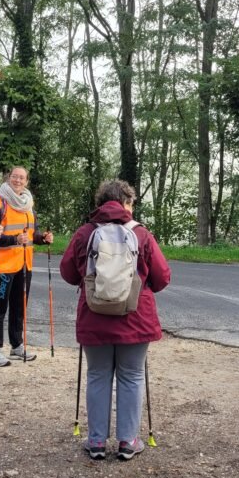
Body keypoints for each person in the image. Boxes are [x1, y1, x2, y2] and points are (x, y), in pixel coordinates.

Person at [60, 179, 170, 461]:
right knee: (131, 376)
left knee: (97, 375)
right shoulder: (142, 234)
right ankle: (127, 441)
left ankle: (96, 442)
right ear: (127, 203)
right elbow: (162, 278)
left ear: (101, 203)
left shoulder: (85, 233)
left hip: (94, 316)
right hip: (135, 317)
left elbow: (69, 274)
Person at [0, 166, 53, 367]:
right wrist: (14, 238)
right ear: (8, 178)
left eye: (22, 178)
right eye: (15, 177)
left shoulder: (28, 203)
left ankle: (16, 346)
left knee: (19, 307)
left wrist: (42, 238)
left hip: (24, 265)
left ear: (27, 181)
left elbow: (31, 234)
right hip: (3, 266)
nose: (18, 180)